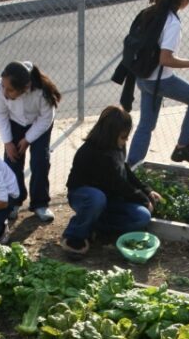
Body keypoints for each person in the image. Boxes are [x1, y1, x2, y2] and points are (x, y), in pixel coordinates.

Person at [126, 0, 189, 168]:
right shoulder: (172, 22)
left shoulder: (151, 12)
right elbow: (166, 59)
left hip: (143, 77)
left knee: (146, 125)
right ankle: (183, 147)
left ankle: (132, 166)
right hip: (160, 80)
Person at [61, 105, 161, 258]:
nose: (126, 140)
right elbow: (118, 183)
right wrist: (142, 198)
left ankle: (95, 225)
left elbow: (125, 170)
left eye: (127, 136)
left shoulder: (117, 146)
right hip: (83, 196)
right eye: (123, 137)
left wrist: (146, 190)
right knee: (97, 198)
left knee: (142, 217)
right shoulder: (94, 152)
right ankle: (74, 236)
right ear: (110, 134)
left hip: (110, 199)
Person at [0, 61, 61, 224]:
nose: (4, 92)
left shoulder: (42, 91)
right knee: (12, 162)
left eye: (10, 90)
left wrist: (28, 138)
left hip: (39, 124)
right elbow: (0, 115)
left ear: (25, 87)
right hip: (13, 123)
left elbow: (46, 118)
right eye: (3, 86)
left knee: (40, 161)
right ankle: (14, 201)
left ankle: (40, 203)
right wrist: (8, 142)